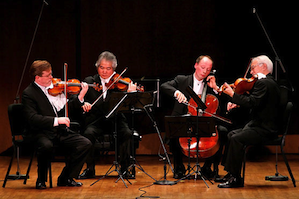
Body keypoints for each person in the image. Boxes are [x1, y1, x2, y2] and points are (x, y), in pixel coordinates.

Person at [22, 60, 92, 189]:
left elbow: (63, 110)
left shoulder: (55, 90)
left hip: (57, 131)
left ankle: (66, 177)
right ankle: (41, 180)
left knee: (84, 143)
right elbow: (33, 118)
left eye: (51, 74)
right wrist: (56, 120)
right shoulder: (29, 93)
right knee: (46, 145)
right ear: (38, 77)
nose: (52, 78)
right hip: (39, 132)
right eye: (48, 75)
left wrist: (80, 97)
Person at [217, 55, 281, 188]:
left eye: (253, 68)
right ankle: (231, 173)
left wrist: (232, 95)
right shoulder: (270, 82)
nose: (251, 72)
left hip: (265, 129)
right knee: (231, 134)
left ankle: (236, 179)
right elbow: (260, 102)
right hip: (259, 125)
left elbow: (252, 102)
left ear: (263, 66)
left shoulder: (263, 83)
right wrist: (238, 104)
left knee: (236, 138)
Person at [161, 55, 228, 179]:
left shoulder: (211, 84)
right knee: (174, 132)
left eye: (208, 70)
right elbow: (164, 86)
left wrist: (215, 89)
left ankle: (207, 167)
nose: (205, 71)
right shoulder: (181, 80)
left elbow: (221, 104)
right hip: (185, 120)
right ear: (195, 65)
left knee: (222, 133)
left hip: (204, 122)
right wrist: (176, 92)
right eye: (202, 67)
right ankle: (179, 168)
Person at [78, 51, 137, 179]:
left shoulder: (120, 83)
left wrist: (130, 94)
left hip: (116, 119)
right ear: (97, 67)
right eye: (101, 67)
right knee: (88, 133)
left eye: (108, 68)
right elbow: (80, 102)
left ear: (114, 69)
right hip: (96, 121)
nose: (104, 71)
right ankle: (89, 168)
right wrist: (84, 103)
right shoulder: (90, 82)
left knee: (127, 133)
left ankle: (125, 168)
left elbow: (128, 107)